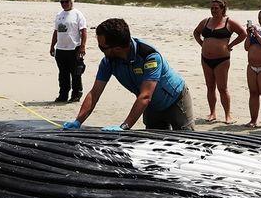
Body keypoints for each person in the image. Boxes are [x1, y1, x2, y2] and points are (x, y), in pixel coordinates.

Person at [63, 18, 192, 131]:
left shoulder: (149, 56)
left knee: (186, 140)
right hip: (150, 105)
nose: (100, 50)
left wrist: (124, 126)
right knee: (155, 142)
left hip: (175, 100)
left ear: (117, 48)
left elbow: (146, 96)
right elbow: (94, 93)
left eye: (102, 47)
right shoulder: (108, 62)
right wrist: (78, 121)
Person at [192, 0, 246, 124]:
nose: (213, 10)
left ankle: (228, 115)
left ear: (222, 9)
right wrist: (202, 43)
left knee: (222, 88)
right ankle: (212, 113)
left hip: (222, 60)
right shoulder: (206, 21)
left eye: (216, 8)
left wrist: (230, 45)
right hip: (205, 59)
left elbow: (243, 34)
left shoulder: (229, 22)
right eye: (212, 8)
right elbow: (196, 32)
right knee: (210, 86)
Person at [49, 0, 89, 103]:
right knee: (63, 74)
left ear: (71, 1)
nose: (64, 4)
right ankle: (63, 95)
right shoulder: (59, 15)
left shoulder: (77, 14)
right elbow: (56, 31)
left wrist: (82, 46)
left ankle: (76, 94)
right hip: (61, 49)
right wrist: (52, 46)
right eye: (62, 2)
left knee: (76, 73)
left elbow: (84, 31)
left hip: (74, 48)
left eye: (66, 1)